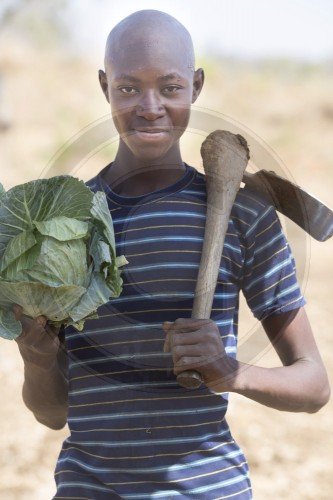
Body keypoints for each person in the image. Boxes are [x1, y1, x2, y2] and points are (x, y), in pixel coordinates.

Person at [14, 9, 330, 499]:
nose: (150, 106)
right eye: (127, 88)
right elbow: (52, 414)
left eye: (170, 87)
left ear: (196, 86)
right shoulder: (65, 227)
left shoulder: (244, 217)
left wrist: (231, 372)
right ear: (104, 86)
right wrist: (37, 359)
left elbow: (313, 387)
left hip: (209, 488)